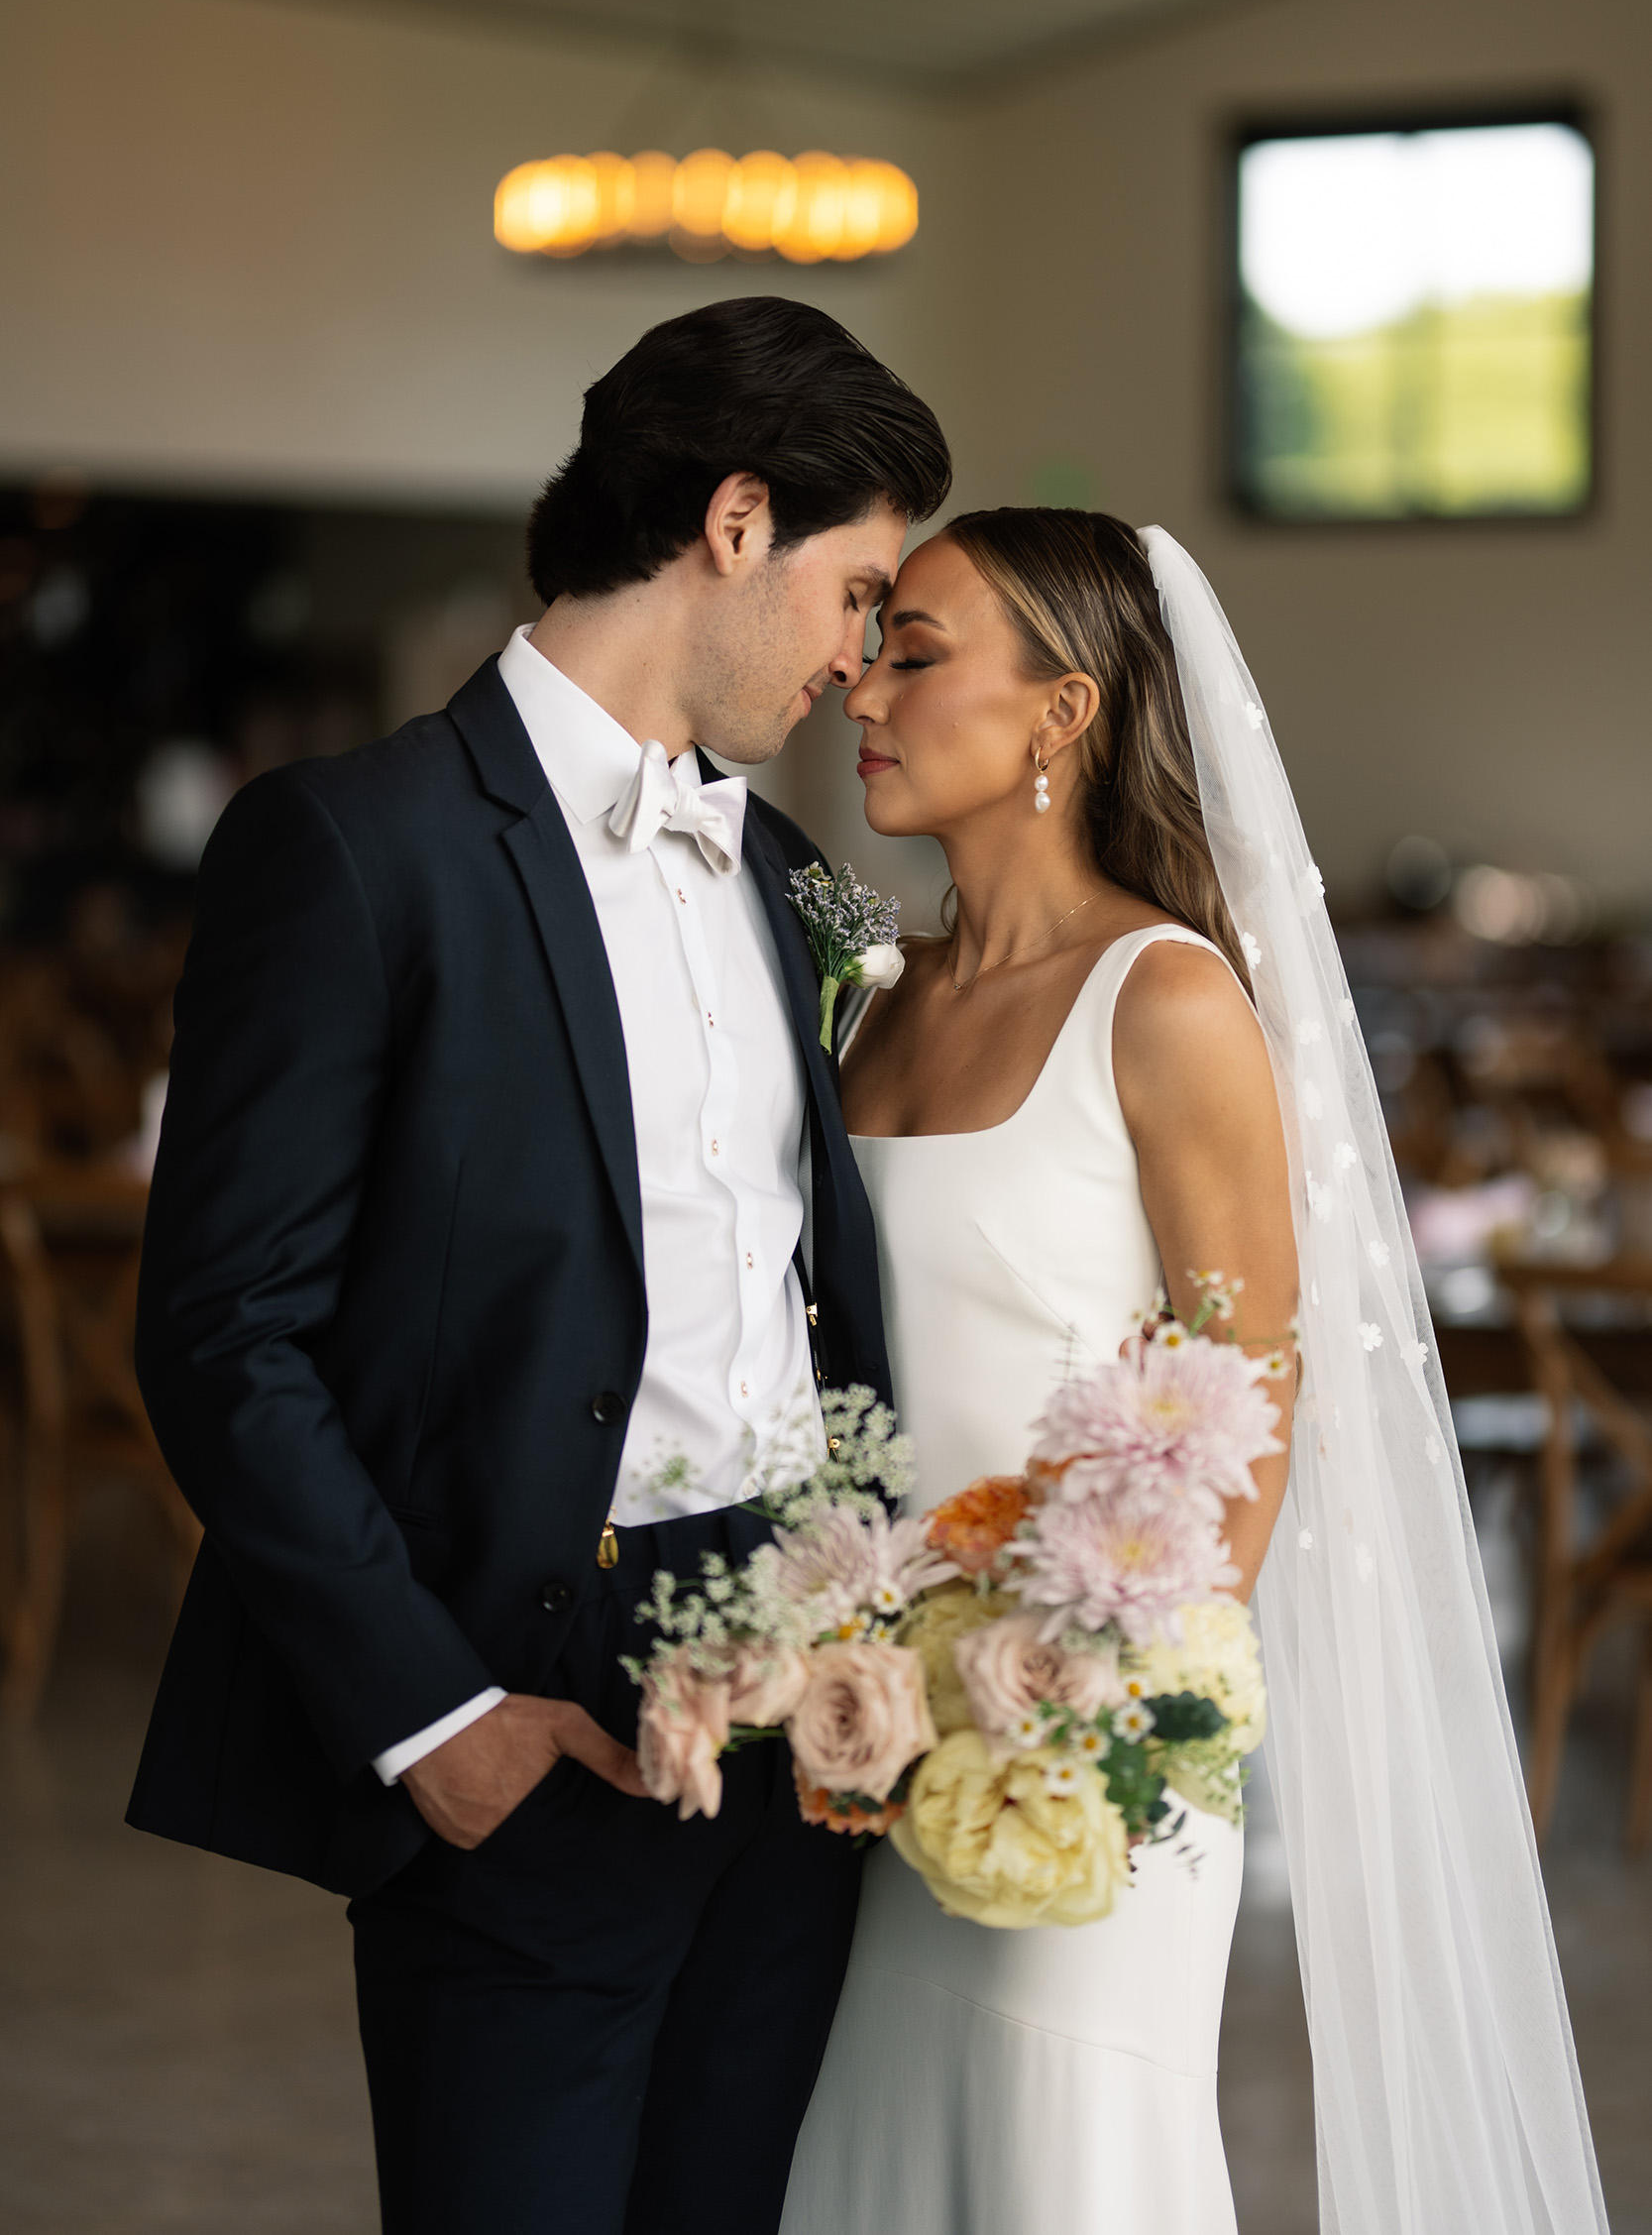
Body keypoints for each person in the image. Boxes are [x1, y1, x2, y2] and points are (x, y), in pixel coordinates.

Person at [126, 295, 951, 2235]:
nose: (859, 660)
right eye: (859, 592)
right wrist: (437, 1714)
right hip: (528, 1691)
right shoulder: (352, 843)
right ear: (738, 522)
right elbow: (222, 1331)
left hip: (801, 1707)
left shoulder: (776, 872)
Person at [782, 509, 1608, 2235]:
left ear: (1060, 713)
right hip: (859, 1734)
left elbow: (1252, 1395)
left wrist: (1093, 1731)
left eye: (916, 652)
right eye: (869, 644)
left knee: (1063, 2170)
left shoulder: (1163, 1003)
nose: (859, 683)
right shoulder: (875, 998)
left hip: (1086, 1751)